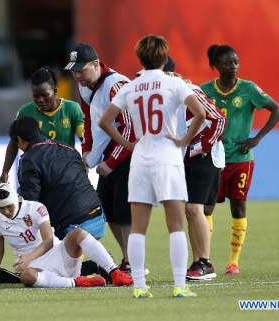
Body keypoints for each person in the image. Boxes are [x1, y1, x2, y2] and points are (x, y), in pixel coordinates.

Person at [99, 34, 207, 298]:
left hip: (141, 158)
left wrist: (127, 144)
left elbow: (105, 121)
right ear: (164, 57)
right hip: (167, 157)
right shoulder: (174, 84)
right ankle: (180, 286)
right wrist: (183, 139)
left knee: (138, 227)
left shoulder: (131, 86)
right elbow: (202, 114)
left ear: (140, 58)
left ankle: (138, 287)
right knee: (176, 225)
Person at [200, 44, 279, 274]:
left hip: (241, 158)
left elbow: (277, 110)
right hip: (214, 159)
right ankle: (204, 259)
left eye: (236, 62)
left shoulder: (248, 89)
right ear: (216, 66)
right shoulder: (205, 90)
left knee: (238, 208)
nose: (234, 66)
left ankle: (233, 261)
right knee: (206, 209)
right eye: (228, 62)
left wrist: (257, 138)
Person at [0, 183, 133, 289]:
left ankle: (115, 273)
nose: (6, 212)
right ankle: (78, 283)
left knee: (76, 233)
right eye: (1, 209)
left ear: (18, 199)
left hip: (58, 255)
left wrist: (28, 257)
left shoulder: (35, 208)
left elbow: (48, 241)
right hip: (37, 268)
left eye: (8, 206)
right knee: (26, 277)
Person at [65, 43, 136, 274]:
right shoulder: (84, 86)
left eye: (81, 70)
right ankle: (129, 259)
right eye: (74, 71)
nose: (77, 76)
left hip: (126, 157)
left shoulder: (117, 86)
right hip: (106, 157)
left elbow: (130, 129)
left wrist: (111, 162)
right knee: (110, 213)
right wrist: (87, 149)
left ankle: (134, 262)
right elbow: (88, 120)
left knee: (125, 213)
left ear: (96, 64)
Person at [166, 71, 226, 281]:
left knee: (194, 208)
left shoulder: (191, 92)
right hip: (185, 157)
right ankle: (197, 261)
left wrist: (206, 146)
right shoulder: (165, 100)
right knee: (189, 211)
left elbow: (219, 118)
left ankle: (205, 262)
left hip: (203, 155)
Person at [9, 116, 105, 240]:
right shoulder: (66, 147)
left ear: (19, 139)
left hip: (74, 225)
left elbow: (31, 201)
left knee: (44, 250)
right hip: (98, 216)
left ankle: (95, 260)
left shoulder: (29, 159)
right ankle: (96, 257)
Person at [0, 66, 83, 183]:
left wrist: (86, 162)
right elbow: (14, 142)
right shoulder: (26, 111)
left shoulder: (71, 109)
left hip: (65, 172)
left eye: (44, 95)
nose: (40, 100)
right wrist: (5, 172)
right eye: (36, 96)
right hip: (36, 175)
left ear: (55, 91)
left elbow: (85, 138)